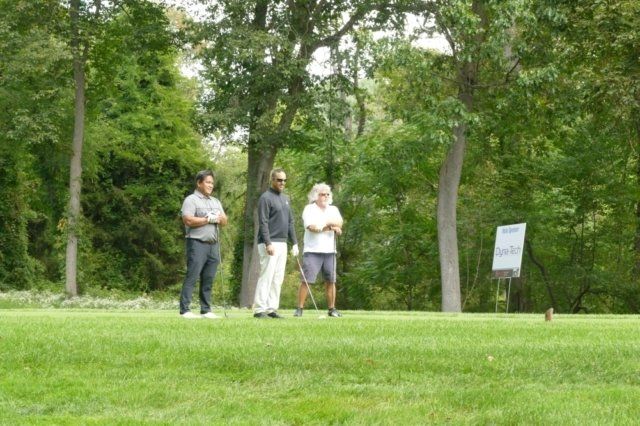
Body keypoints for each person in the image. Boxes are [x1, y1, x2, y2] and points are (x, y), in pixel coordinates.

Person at [179, 170, 228, 319]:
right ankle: (185, 310)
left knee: (208, 278)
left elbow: (225, 221)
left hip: (213, 244)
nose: (210, 185)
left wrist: (218, 219)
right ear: (199, 183)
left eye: (212, 183)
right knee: (192, 276)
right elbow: (188, 220)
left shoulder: (215, 201)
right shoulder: (191, 200)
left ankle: (206, 310)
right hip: (196, 243)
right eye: (207, 182)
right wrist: (207, 219)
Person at [253, 168, 299, 319]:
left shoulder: (286, 198)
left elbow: (290, 222)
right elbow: (263, 222)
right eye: (279, 180)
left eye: (284, 180)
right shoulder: (265, 198)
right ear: (272, 180)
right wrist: (267, 242)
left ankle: (271, 309)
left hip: (282, 243)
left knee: (277, 278)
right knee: (266, 275)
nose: (282, 183)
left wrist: (295, 243)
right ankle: (259, 310)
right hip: (269, 242)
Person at [294, 183, 343, 318]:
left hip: (330, 251)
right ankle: (299, 308)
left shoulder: (333, 209)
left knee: (331, 280)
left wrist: (332, 226)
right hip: (312, 250)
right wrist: (328, 226)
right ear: (316, 196)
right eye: (322, 194)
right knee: (307, 280)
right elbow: (312, 227)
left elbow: (339, 223)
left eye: (327, 194)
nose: (325, 197)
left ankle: (332, 309)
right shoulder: (309, 209)